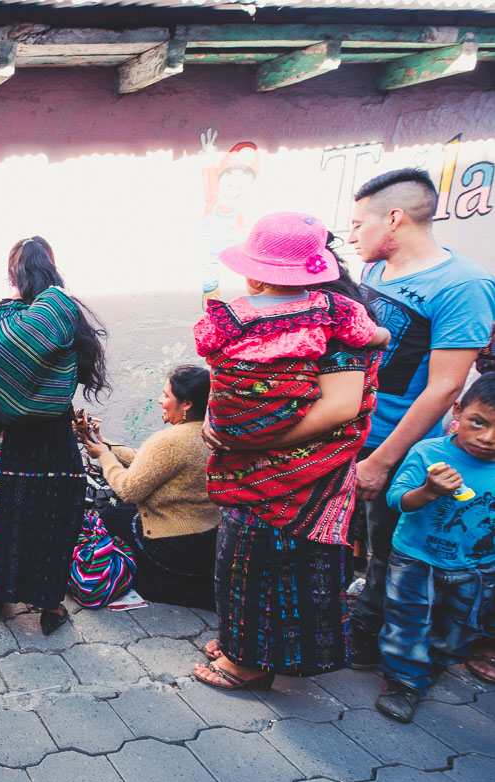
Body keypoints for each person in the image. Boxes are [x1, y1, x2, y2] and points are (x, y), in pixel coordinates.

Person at [194, 218, 381, 691]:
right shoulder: (289, 316)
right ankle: (242, 643)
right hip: (257, 465)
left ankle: (252, 663)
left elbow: (340, 406)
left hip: (303, 475)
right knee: (241, 559)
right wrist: (223, 422)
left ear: (258, 275)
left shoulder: (337, 322)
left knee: (272, 564)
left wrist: (246, 438)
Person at [346, 169, 495, 669]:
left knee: (391, 549)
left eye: (358, 224)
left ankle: (374, 647)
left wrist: (384, 460)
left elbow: (446, 386)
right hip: (352, 430)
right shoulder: (377, 271)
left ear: (394, 218)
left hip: (397, 445)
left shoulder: (464, 285)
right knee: (360, 541)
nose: (350, 236)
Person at [0, 236, 110, 634]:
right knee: (49, 521)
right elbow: (74, 379)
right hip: (48, 444)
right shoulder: (65, 318)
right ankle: (49, 605)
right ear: (51, 269)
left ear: (12, 275)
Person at [195, 212, 389, 450]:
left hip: (278, 453)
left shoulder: (232, 315)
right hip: (260, 443)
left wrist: (242, 442)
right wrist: (384, 336)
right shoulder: (334, 313)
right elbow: (369, 334)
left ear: (255, 279)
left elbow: (340, 408)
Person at [372, 374, 495, 720]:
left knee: (462, 625)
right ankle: (404, 681)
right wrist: (428, 491)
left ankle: (435, 663)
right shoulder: (430, 452)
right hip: (416, 558)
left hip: (476, 566)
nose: (487, 439)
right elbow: (397, 499)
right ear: (458, 410)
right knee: (406, 621)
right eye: (478, 423)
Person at [82, 365, 221, 610]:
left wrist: (105, 457)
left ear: (186, 404)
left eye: (166, 396)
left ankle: (150, 580)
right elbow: (148, 462)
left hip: (173, 543)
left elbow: (127, 489)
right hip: (208, 540)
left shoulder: (169, 441)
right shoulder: (210, 434)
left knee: (109, 518)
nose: (160, 400)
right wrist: (104, 445)